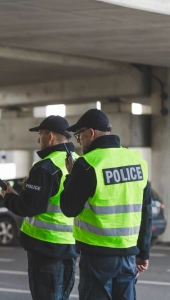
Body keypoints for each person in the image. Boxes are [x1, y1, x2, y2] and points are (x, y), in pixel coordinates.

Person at [60, 108, 152, 300]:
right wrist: (143, 253)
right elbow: (146, 211)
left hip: (97, 258)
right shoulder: (137, 161)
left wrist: (70, 176)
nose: (80, 141)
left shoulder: (87, 164)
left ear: (91, 133)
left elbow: (68, 208)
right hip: (128, 256)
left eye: (80, 135)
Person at [1, 115, 79, 300]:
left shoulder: (45, 166)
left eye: (41, 134)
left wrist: (9, 196)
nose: (38, 139)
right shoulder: (78, 161)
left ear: (50, 136)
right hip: (71, 245)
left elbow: (29, 207)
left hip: (46, 247)